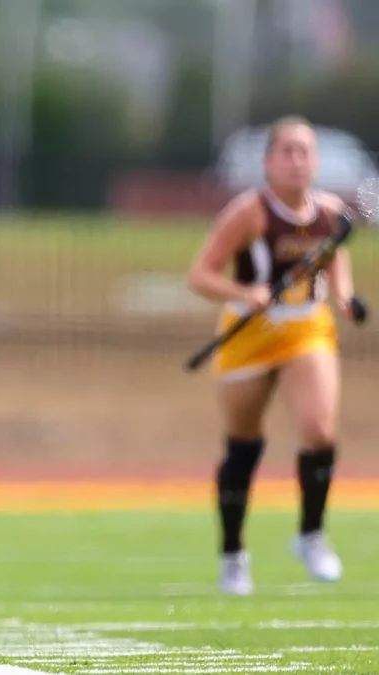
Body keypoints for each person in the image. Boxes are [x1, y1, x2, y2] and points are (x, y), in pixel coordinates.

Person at [186, 116, 363, 596]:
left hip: (307, 330)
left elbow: (334, 255)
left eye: (305, 151)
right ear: (268, 162)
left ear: (316, 162)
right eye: (286, 151)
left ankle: (311, 536)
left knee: (320, 431)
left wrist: (345, 298)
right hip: (249, 336)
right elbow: (200, 276)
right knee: (243, 447)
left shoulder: (329, 212)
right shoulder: (248, 213)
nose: (296, 159)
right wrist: (245, 291)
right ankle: (233, 556)